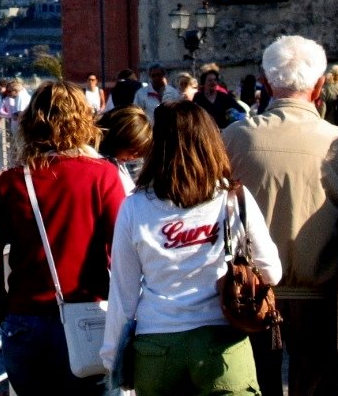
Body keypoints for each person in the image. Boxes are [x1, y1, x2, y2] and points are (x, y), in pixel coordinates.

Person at [102, 101, 281, 395]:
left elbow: (123, 294)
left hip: (156, 347)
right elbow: (272, 272)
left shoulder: (134, 207)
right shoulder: (234, 198)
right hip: (221, 344)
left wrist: (113, 359)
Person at [222, 35, 338, 396]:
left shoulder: (234, 138)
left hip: (249, 293)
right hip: (318, 295)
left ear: (266, 84)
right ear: (320, 86)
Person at [0, 80, 126, 396]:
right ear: (83, 121)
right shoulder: (103, 176)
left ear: (31, 123)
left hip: (25, 320)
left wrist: (5, 310)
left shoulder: (12, 183)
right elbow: (122, 252)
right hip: (88, 315)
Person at [97, 105, 152, 194]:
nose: (132, 157)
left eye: (138, 154)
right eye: (132, 151)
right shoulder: (98, 164)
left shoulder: (117, 163)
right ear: (119, 138)